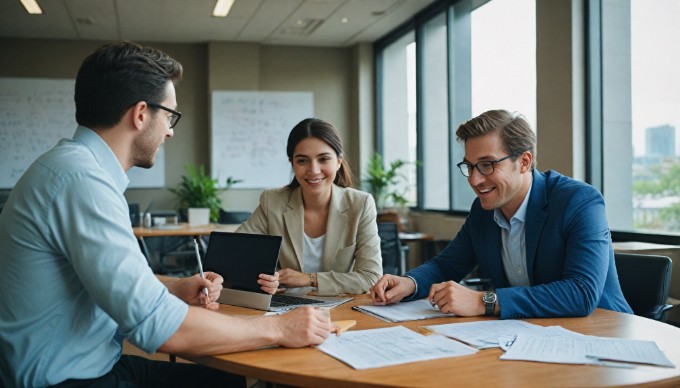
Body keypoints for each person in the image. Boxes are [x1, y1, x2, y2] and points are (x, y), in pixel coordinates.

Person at [0, 42, 331, 388]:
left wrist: (174, 287)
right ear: (141, 113)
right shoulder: (81, 181)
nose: (170, 131)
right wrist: (279, 327)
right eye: (169, 116)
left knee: (228, 382)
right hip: (67, 381)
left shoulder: (70, 168)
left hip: (85, 364)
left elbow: (111, 278)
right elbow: (157, 326)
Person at [370, 109, 632, 319]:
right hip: (527, 337)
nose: (475, 180)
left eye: (487, 165)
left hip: (602, 334)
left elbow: (582, 293)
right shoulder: (484, 210)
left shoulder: (578, 201)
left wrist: (482, 301)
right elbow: (447, 264)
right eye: (470, 166)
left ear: (524, 162)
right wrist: (409, 283)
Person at [236, 118, 383, 296]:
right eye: (302, 161)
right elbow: (236, 256)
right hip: (286, 307)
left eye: (323, 159)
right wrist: (266, 282)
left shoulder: (360, 204)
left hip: (340, 308)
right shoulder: (272, 202)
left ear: (338, 161)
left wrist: (310, 279)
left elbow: (370, 277)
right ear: (292, 163)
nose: (313, 170)